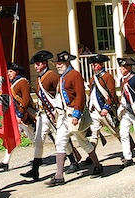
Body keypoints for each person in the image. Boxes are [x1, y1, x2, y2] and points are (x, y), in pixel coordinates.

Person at [21, 51, 80, 181]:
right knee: (38, 141)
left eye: (37, 64)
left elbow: (60, 93)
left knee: (61, 138)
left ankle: (73, 162)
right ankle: (35, 170)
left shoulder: (52, 76)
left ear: (44, 63)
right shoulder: (39, 77)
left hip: (53, 113)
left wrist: (56, 111)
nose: (35, 67)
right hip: (43, 114)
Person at [45, 51, 103, 186]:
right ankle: (59, 176)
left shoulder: (75, 75)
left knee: (83, 142)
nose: (58, 66)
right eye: (57, 64)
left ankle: (97, 164)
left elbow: (80, 95)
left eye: (60, 64)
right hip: (63, 115)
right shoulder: (62, 77)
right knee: (60, 142)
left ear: (67, 63)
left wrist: (77, 113)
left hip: (73, 114)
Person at [0, 63, 35, 171]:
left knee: (33, 138)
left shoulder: (22, 82)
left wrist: (20, 115)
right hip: (15, 116)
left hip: (24, 116)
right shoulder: (9, 84)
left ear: (17, 72)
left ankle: (38, 157)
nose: (8, 73)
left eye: (11, 71)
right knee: (11, 137)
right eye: (7, 72)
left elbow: (25, 100)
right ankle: (5, 162)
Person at [86, 54, 118, 156]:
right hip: (94, 110)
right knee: (94, 133)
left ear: (100, 65)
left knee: (115, 131)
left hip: (104, 109)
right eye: (92, 65)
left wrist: (106, 107)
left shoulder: (107, 77)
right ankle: (91, 156)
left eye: (94, 65)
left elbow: (111, 94)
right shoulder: (93, 78)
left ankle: (129, 146)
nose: (93, 67)